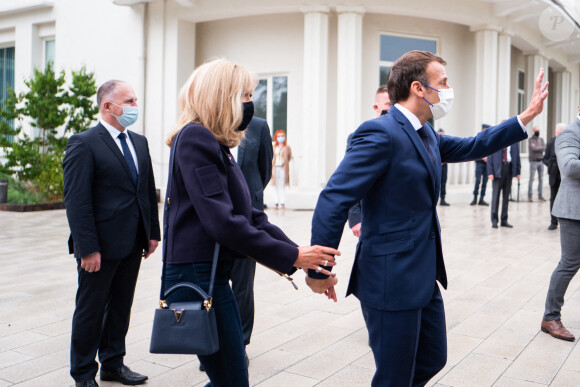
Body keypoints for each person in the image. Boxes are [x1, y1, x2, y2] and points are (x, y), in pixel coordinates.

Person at [305, 50, 548, 386]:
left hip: (421, 274)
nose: (448, 89)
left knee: (433, 358)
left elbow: (473, 144)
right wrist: (319, 269)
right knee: (394, 376)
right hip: (390, 279)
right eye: (443, 82)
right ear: (419, 88)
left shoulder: (426, 132)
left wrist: (525, 117)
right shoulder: (379, 133)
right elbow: (334, 198)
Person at [162, 58, 339, 387]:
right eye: (244, 94)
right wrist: (294, 258)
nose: (250, 103)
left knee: (228, 378)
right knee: (231, 378)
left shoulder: (214, 143)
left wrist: (301, 256)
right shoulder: (196, 139)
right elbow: (223, 223)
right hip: (199, 278)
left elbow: (252, 217)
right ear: (222, 97)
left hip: (210, 275)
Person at [63, 80, 161, 387]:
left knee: (121, 307)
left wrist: (152, 232)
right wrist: (87, 248)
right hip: (100, 248)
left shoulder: (140, 142)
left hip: (132, 242)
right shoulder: (84, 143)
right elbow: (77, 201)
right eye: (129, 101)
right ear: (108, 106)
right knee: (90, 311)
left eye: (135, 101)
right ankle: (82, 373)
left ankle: (113, 364)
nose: (135, 106)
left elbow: (146, 191)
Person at [230, 116, 273, 366]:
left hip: (247, 216)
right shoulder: (207, 121)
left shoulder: (258, 126)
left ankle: (239, 344)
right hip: (215, 215)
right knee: (213, 285)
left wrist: (250, 195)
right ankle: (213, 345)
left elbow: (264, 170)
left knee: (243, 285)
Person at [541, 107, 580, 342]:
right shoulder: (569, 133)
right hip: (573, 211)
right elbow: (570, 167)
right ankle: (550, 317)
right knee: (569, 263)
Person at [348, 85, 392, 237]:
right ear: (376, 107)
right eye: (388, 105)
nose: (392, 109)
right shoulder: (360, 136)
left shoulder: (408, 135)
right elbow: (350, 178)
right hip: (369, 217)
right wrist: (355, 218)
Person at [487, 144, 521, 228]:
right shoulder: (497, 140)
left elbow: (517, 156)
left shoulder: (514, 142)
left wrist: (518, 171)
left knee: (506, 197)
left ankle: (504, 220)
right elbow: (490, 156)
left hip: (509, 169)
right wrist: (490, 172)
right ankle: (494, 220)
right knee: (496, 197)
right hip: (497, 170)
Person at [544, 123, 565, 230]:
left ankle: (564, 221)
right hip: (553, 175)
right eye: (559, 131)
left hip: (565, 176)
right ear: (556, 132)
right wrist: (551, 165)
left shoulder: (568, 141)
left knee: (564, 199)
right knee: (553, 198)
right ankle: (553, 221)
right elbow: (545, 158)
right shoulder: (551, 142)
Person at [471, 124, 491, 205]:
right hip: (479, 163)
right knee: (478, 181)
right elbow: (474, 152)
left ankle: (481, 199)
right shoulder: (478, 139)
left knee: (485, 182)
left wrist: (488, 158)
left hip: (487, 164)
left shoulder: (490, 140)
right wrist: (482, 157)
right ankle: (475, 198)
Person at [272, 129, 292, 209]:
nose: (280, 138)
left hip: (283, 167)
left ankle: (283, 203)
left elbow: (289, 157)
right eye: (279, 136)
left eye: (282, 136)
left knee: (282, 184)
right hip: (275, 167)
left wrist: (285, 163)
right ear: (276, 137)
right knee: (275, 185)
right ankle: (276, 202)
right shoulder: (274, 147)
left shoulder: (287, 147)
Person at [528, 126, 547, 202]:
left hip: (541, 161)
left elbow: (545, 148)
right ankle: (530, 195)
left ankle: (540, 195)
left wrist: (538, 147)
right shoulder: (531, 140)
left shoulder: (541, 139)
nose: (537, 132)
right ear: (533, 131)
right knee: (531, 179)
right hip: (533, 161)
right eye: (536, 130)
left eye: (538, 130)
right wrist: (540, 148)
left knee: (541, 179)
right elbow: (534, 149)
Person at [438, 128, 450, 206]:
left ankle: (443, 199)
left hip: (444, 166)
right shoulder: (433, 144)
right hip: (436, 166)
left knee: (443, 183)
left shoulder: (446, 145)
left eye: (442, 135)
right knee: (436, 184)